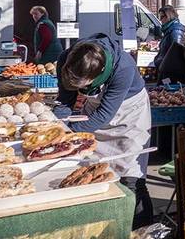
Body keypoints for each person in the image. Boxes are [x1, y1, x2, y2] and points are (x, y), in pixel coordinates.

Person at [54, 33, 152, 228]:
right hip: (94, 112)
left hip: (129, 114)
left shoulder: (123, 67)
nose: (77, 89)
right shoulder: (66, 60)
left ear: (96, 76)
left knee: (130, 178)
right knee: (93, 171)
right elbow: (65, 100)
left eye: (82, 85)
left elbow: (103, 115)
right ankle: (104, 225)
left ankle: (143, 232)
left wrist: (68, 132)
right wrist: (58, 124)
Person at [153, 5, 185, 69]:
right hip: (164, 67)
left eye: (162, 17)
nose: (160, 19)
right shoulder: (169, 30)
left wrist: (162, 64)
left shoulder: (176, 31)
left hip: (169, 70)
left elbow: (176, 53)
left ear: (168, 16)